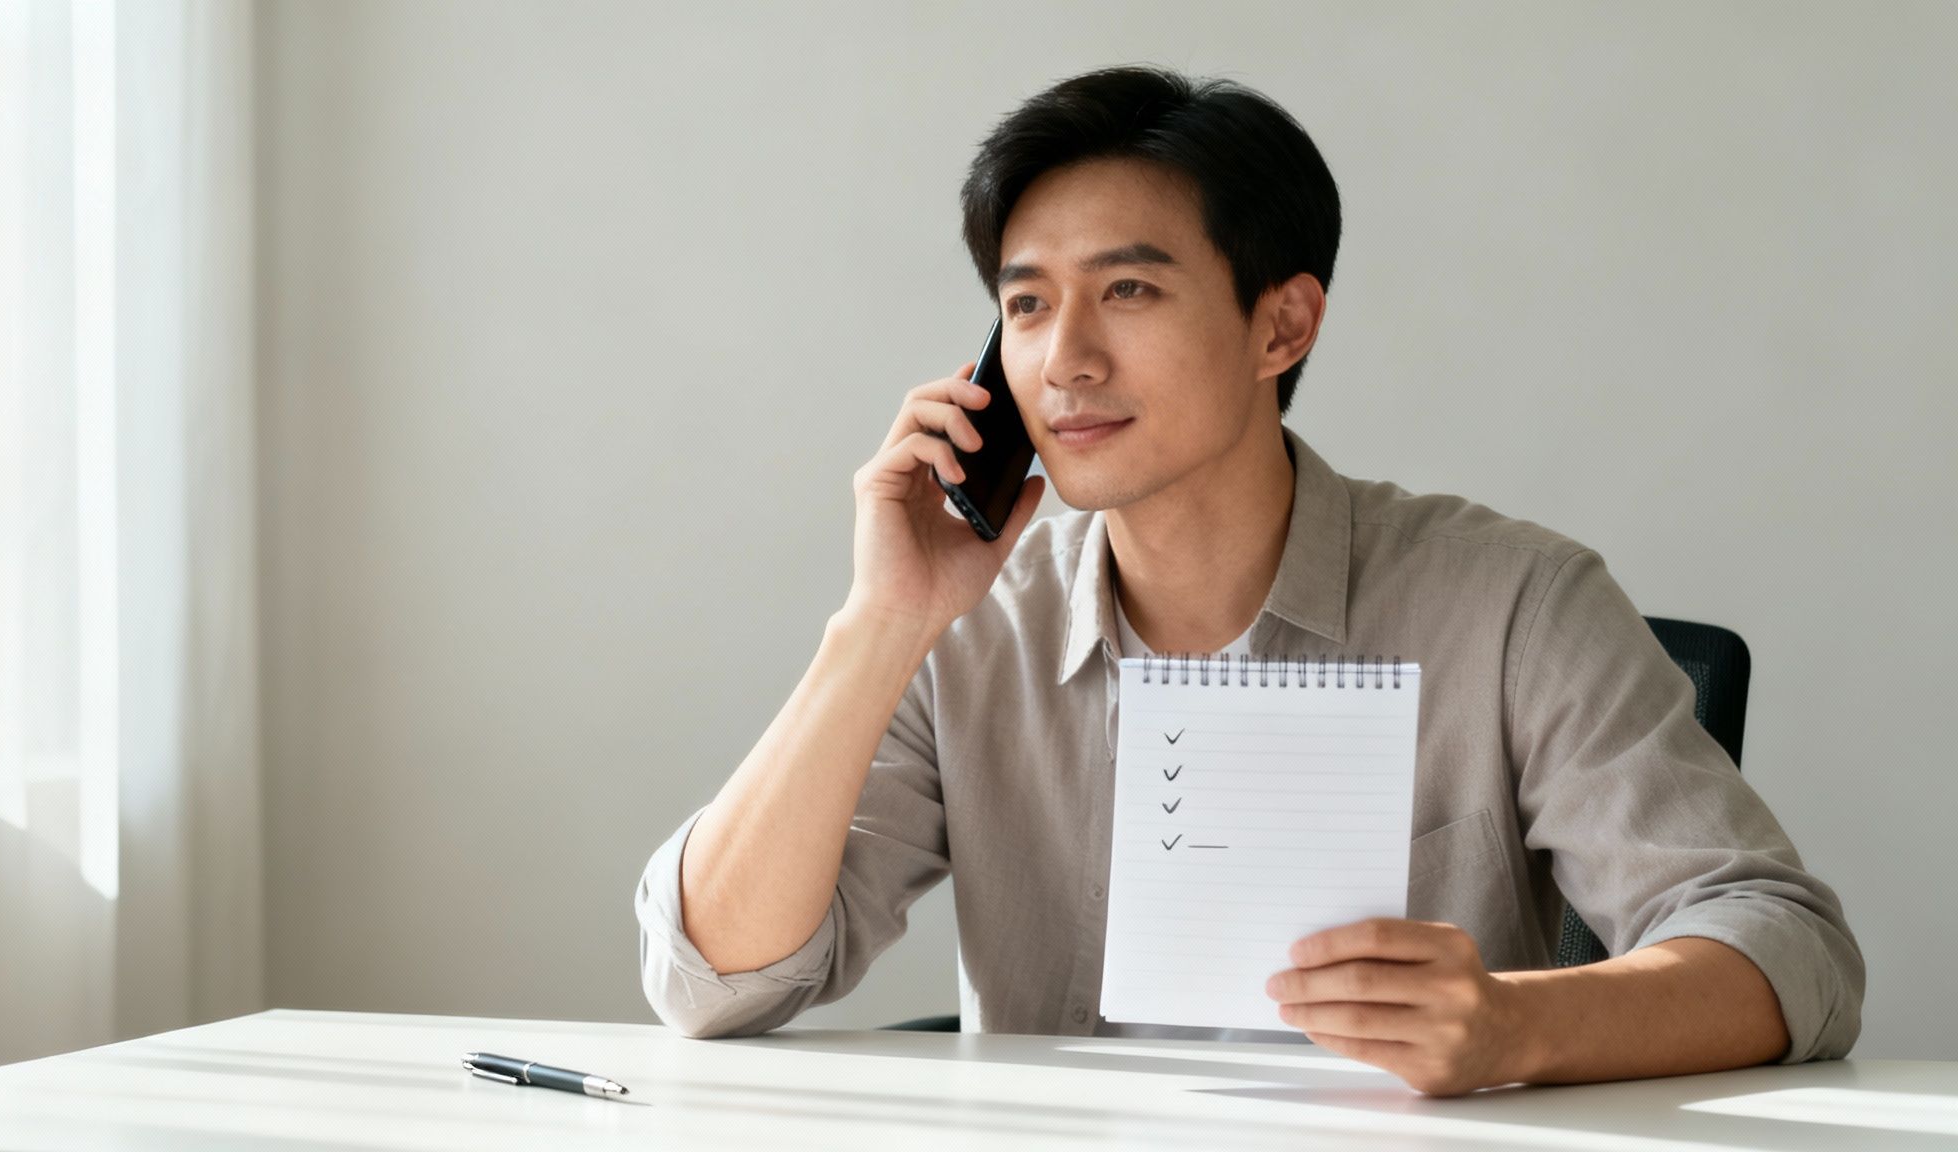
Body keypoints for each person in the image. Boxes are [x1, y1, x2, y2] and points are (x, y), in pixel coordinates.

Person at [633, 64, 1863, 1096]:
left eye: (1127, 289)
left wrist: (1513, 1025)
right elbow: (709, 980)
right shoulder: (968, 628)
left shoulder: (1511, 604)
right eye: (1024, 304)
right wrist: (880, 621)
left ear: (1282, 327)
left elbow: (1788, 950)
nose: (1063, 359)